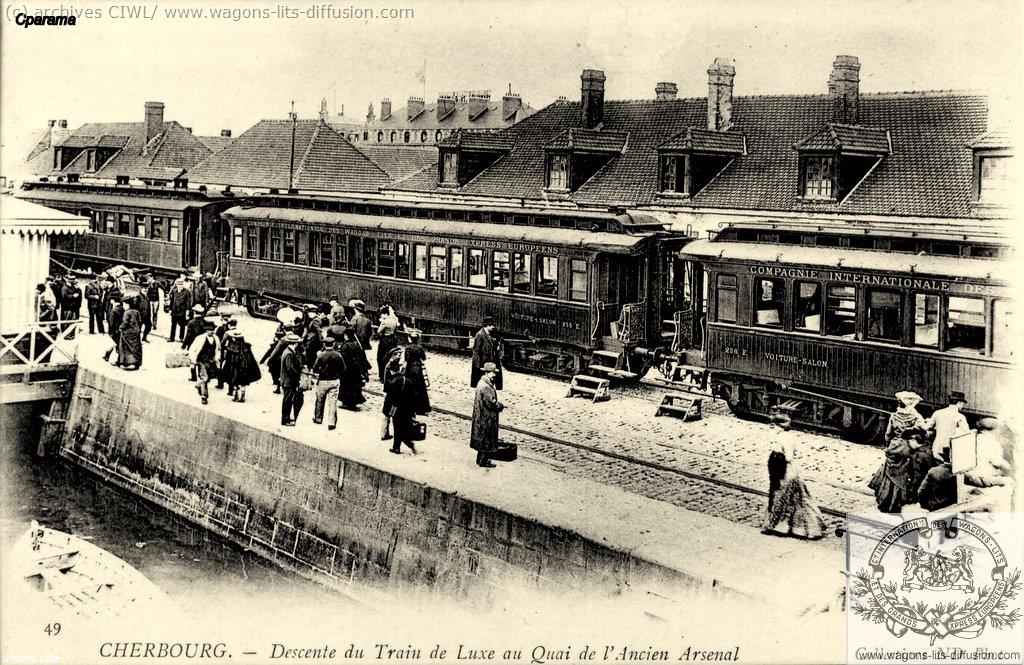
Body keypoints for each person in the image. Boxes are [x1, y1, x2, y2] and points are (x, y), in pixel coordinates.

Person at [761, 435, 826, 538]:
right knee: (794, 500)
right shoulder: (785, 438)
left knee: (784, 499)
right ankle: (797, 528)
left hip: (788, 471)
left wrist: (778, 457)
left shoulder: (783, 439)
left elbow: (789, 457)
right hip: (789, 471)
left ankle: (782, 526)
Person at [868, 429, 913, 513]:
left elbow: (887, 434)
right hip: (901, 467)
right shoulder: (906, 447)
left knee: (887, 483)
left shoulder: (894, 441)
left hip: (890, 462)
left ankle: (883, 502)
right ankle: (893, 506)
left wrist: (888, 444)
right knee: (897, 485)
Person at [470, 362, 504, 468]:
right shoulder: (486, 386)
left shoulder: (482, 382)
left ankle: (479, 460)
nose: (494, 375)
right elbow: (491, 402)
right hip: (486, 417)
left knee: (482, 439)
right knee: (487, 439)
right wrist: (500, 406)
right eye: (492, 373)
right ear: (487, 373)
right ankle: (484, 462)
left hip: (481, 415)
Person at [385, 357, 417, 455]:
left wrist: (388, 411)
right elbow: (413, 398)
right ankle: (406, 443)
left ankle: (398, 447)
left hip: (397, 409)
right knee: (405, 426)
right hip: (407, 410)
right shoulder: (409, 382)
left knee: (397, 428)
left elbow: (390, 397)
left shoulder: (395, 381)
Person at [312, 338, 345, 430]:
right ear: (333, 344)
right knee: (332, 402)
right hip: (334, 381)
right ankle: (331, 422)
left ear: (324, 345)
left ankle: (318, 418)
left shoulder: (321, 355)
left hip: (322, 380)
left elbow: (315, 368)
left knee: (319, 400)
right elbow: (343, 369)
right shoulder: (338, 355)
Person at [221, 329, 261, 403]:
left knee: (235, 381)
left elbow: (227, 359)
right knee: (243, 383)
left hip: (234, 367)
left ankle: (235, 396)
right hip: (244, 367)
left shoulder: (231, 347)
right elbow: (251, 358)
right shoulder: (246, 346)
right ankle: (242, 397)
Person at [928, 391, 970, 461]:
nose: (962, 406)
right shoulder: (960, 417)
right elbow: (966, 433)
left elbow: (928, 426)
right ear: (959, 403)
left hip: (937, 448)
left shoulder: (937, 413)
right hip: (950, 449)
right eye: (962, 404)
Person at [767, 413, 795, 512]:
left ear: (781, 426)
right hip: (776, 459)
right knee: (775, 484)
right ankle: (774, 506)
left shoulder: (784, 437)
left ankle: (775, 507)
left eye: (774, 425)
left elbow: (789, 455)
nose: (773, 428)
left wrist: (788, 463)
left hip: (778, 461)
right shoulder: (782, 435)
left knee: (776, 485)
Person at [189, 322, 220, 405]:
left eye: (213, 330)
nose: (213, 332)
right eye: (211, 330)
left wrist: (217, 358)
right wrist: (193, 360)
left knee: (209, 378)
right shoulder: (200, 338)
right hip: (202, 361)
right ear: (206, 330)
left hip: (211, 361)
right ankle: (204, 397)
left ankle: (198, 385)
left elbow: (218, 350)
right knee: (205, 378)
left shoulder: (216, 338)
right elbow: (192, 349)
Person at [338, 328, 370, 410]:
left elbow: (343, 358)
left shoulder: (345, 345)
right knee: (355, 385)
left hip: (347, 369)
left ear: (346, 336)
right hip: (356, 369)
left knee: (346, 385)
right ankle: (354, 402)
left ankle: (346, 403)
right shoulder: (357, 344)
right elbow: (362, 357)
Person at [379, 346, 405, 440]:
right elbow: (391, 380)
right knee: (388, 414)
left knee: (388, 413)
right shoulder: (391, 366)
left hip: (392, 393)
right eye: (398, 355)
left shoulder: (394, 364)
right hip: (392, 393)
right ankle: (384, 434)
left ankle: (385, 433)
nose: (400, 356)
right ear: (393, 355)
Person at [279, 333, 305, 426]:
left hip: (287, 381)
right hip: (289, 381)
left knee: (288, 400)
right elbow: (290, 369)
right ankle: (285, 419)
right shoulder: (289, 353)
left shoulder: (288, 351)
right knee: (287, 401)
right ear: (296, 343)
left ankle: (286, 418)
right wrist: (298, 376)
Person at [471, 317, 503, 390]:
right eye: (492, 325)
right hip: (483, 364)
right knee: (483, 383)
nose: (493, 327)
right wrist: (479, 367)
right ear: (487, 325)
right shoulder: (480, 335)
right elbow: (476, 352)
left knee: (490, 382)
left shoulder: (489, 334)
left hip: (489, 363)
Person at [403, 331, 431, 416]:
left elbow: (407, 359)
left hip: (411, 369)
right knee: (420, 388)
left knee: (410, 387)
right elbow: (424, 358)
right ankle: (421, 408)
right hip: (418, 369)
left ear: (410, 339)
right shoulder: (420, 348)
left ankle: (411, 407)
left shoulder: (408, 348)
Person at [374, 304, 401, 382]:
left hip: (385, 339)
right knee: (391, 356)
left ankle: (382, 376)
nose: (381, 316)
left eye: (382, 314)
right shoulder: (394, 320)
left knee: (381, 358)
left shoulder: (385, 322)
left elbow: (378, 331)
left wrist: (381, 323)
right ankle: (391, 375)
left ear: (385, 314)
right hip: (392, 339)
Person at [117, 298, 143, 370]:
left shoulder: (127, 312)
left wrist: (120, 327)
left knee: (125, 347)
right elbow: (140, 321)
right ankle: (136, 362)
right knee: (136, 347)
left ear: (128, 305)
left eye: (124, 304)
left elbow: (125, 322)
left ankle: (125, 362)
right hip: (136, 331)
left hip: (128, 332)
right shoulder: (137, 311)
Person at [261, 329, 288, 394]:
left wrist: (263, 361)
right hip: (282, 361)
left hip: (276, 362)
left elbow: (268, 353)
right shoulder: (285, 343)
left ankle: (277, 386)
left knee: (275, 374)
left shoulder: (275, 345)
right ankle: (279, 386)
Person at [168, 277, 194, 343]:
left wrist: (187, 312)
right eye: (179, 285)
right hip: (174, 311)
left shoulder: (186, 292)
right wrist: (170, 309)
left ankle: (181, 338)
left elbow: (188, 303)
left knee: (182, 326)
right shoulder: (174, 291)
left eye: (182, 285)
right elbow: (172, 301)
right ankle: (171, 337)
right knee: (173, 325)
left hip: (182, 311)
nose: (181, 286)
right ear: (177, 285)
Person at [101, 294, 124, 363]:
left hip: (114, 330)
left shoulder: (114, 310)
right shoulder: (122, 309)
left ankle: (117, 360)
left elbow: (111, 322)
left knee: (114, 344)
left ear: (113, 301)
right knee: (114, 344)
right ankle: (107, 356)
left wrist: (110, 331)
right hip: (120, 329)